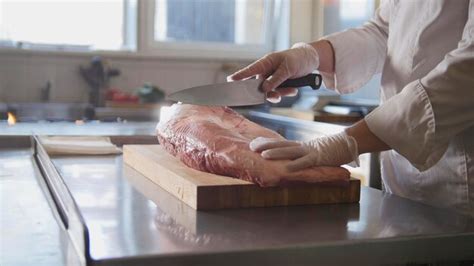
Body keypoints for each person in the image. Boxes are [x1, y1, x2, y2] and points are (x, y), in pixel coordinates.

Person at [228, 0, 474, 216]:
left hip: (460, 188)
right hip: (403, 187)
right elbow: (383, 31)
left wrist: (346, 143)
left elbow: (467, 73)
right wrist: (310, 55)